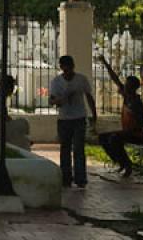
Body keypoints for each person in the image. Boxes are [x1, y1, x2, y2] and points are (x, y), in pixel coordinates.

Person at [49, 55, 97, 188]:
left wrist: (94, 114)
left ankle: (80, 178)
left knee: (78, 148)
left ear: (73, 67)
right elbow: (52, 101)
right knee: (65, 149)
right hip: (64, 118)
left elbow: (89, 97)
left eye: (69, 68)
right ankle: (66, 177)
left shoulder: (81, 80)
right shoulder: (56, 82)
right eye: (65, 69)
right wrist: (61, 99)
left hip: (79, 117)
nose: (67, 72)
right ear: (61, 68)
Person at [96, 54, 143, 177]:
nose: (124, 86)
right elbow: (115, 79)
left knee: (114, 138)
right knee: (102, 137)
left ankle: (127, 165)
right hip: (127, 132)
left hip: (136, 134)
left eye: (128, 85)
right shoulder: (127, 97)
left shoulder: (136, 103)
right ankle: (121, 162)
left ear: (133, 88)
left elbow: (140, 123)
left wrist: (128, 130)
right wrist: (105, 63)